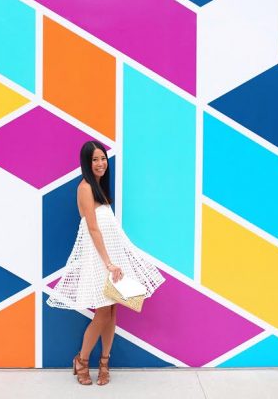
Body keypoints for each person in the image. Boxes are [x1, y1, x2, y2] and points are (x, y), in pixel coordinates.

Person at [46, 140, 166, 386]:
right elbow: (92, 228)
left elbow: (112, 232)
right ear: (86, 163)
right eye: (95, 160)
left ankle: (104, 362)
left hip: (112, 261)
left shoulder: (100, 189)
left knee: (112, 311)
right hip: (99, 260)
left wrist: (123, 259)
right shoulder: (85, 188)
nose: (101, 164)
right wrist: (109, 263)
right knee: (102, 312)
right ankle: (81, 359)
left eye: (103, 159)